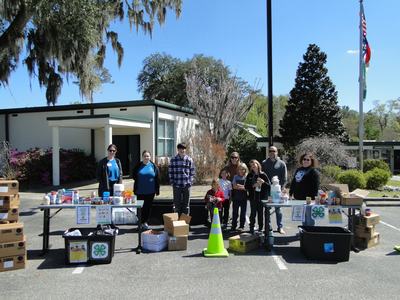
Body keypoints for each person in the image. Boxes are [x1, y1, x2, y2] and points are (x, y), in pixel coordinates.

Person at [262, 146, 287, 234]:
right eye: (270, 151)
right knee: (267, 209)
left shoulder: (281, 164)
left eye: (274, 151)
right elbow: (262, 176)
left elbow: (284, 178)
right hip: (267, 190)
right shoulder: (264, 163)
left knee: (278, 209)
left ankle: (280, 227)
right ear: (268, 152)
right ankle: (268, 227)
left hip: (277, 191)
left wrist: (283, 188)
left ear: (277, 152)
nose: (272, 152)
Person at [289, 153, 320, 226]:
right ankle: (304, 233)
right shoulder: (298, 170)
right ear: (302, 160)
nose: (306, 161)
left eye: (308, 160)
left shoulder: (313, 171)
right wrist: (290, 193)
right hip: (298, 197)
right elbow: (294, 182)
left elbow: (316, 186)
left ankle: (310, 234)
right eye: (304, 159)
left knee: (310, 218)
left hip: (309, 199)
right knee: (303, 217)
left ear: (311, 161)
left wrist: (313, 199)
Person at [132, 150, 160, 230]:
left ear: (150, 157)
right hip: (140, 191)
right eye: (145, 156)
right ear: (142, 157)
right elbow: (134, 175)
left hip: (150, 191)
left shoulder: (153, 166)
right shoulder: (138, 165)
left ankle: (145, 222)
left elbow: (157, 178)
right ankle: (140, 222)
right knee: (140, 208)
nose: (146, 157)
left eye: (148, 156)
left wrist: (157, 190)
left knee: (147, 208)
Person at [168, 142, 195, 216]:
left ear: (185, 150)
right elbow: (170, 172)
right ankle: (177, 224)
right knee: (177, 205)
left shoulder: (189, 160)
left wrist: (190, 182)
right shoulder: (173, 160)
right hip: (176, 185)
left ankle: (185, 225)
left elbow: (192, 172)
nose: (182, 150)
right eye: (180, 149)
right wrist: (172, 182)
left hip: (186, 185)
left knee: (186, 206)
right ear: (178, 150)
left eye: (183, 149)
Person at [246, 159, 269, 234]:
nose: (253, 166)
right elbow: (246, 186)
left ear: (258, 165)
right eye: (252, 165)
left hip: (261, 198)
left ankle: (260, 228)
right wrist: (253, 185)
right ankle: (251, 227)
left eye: (254, 164)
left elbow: (269, 186)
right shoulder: (249, 175)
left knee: (260, 213)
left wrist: (263, 182)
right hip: (253, 197)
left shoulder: (263, 174)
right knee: (253, 213)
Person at [231, 164, 248, 231]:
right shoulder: (235, 177)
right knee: (235, 212)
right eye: (240, 169)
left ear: (245, 170)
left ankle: (241, 226)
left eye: (243, 169)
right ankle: (234, 225)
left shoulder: (246, 177)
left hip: (244, 198)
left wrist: (239, 186)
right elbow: (234, 186)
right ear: (238, 170)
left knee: (243, 213)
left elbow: (247, 188)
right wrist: (243, 187)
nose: (241, 170)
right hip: (236, 197)